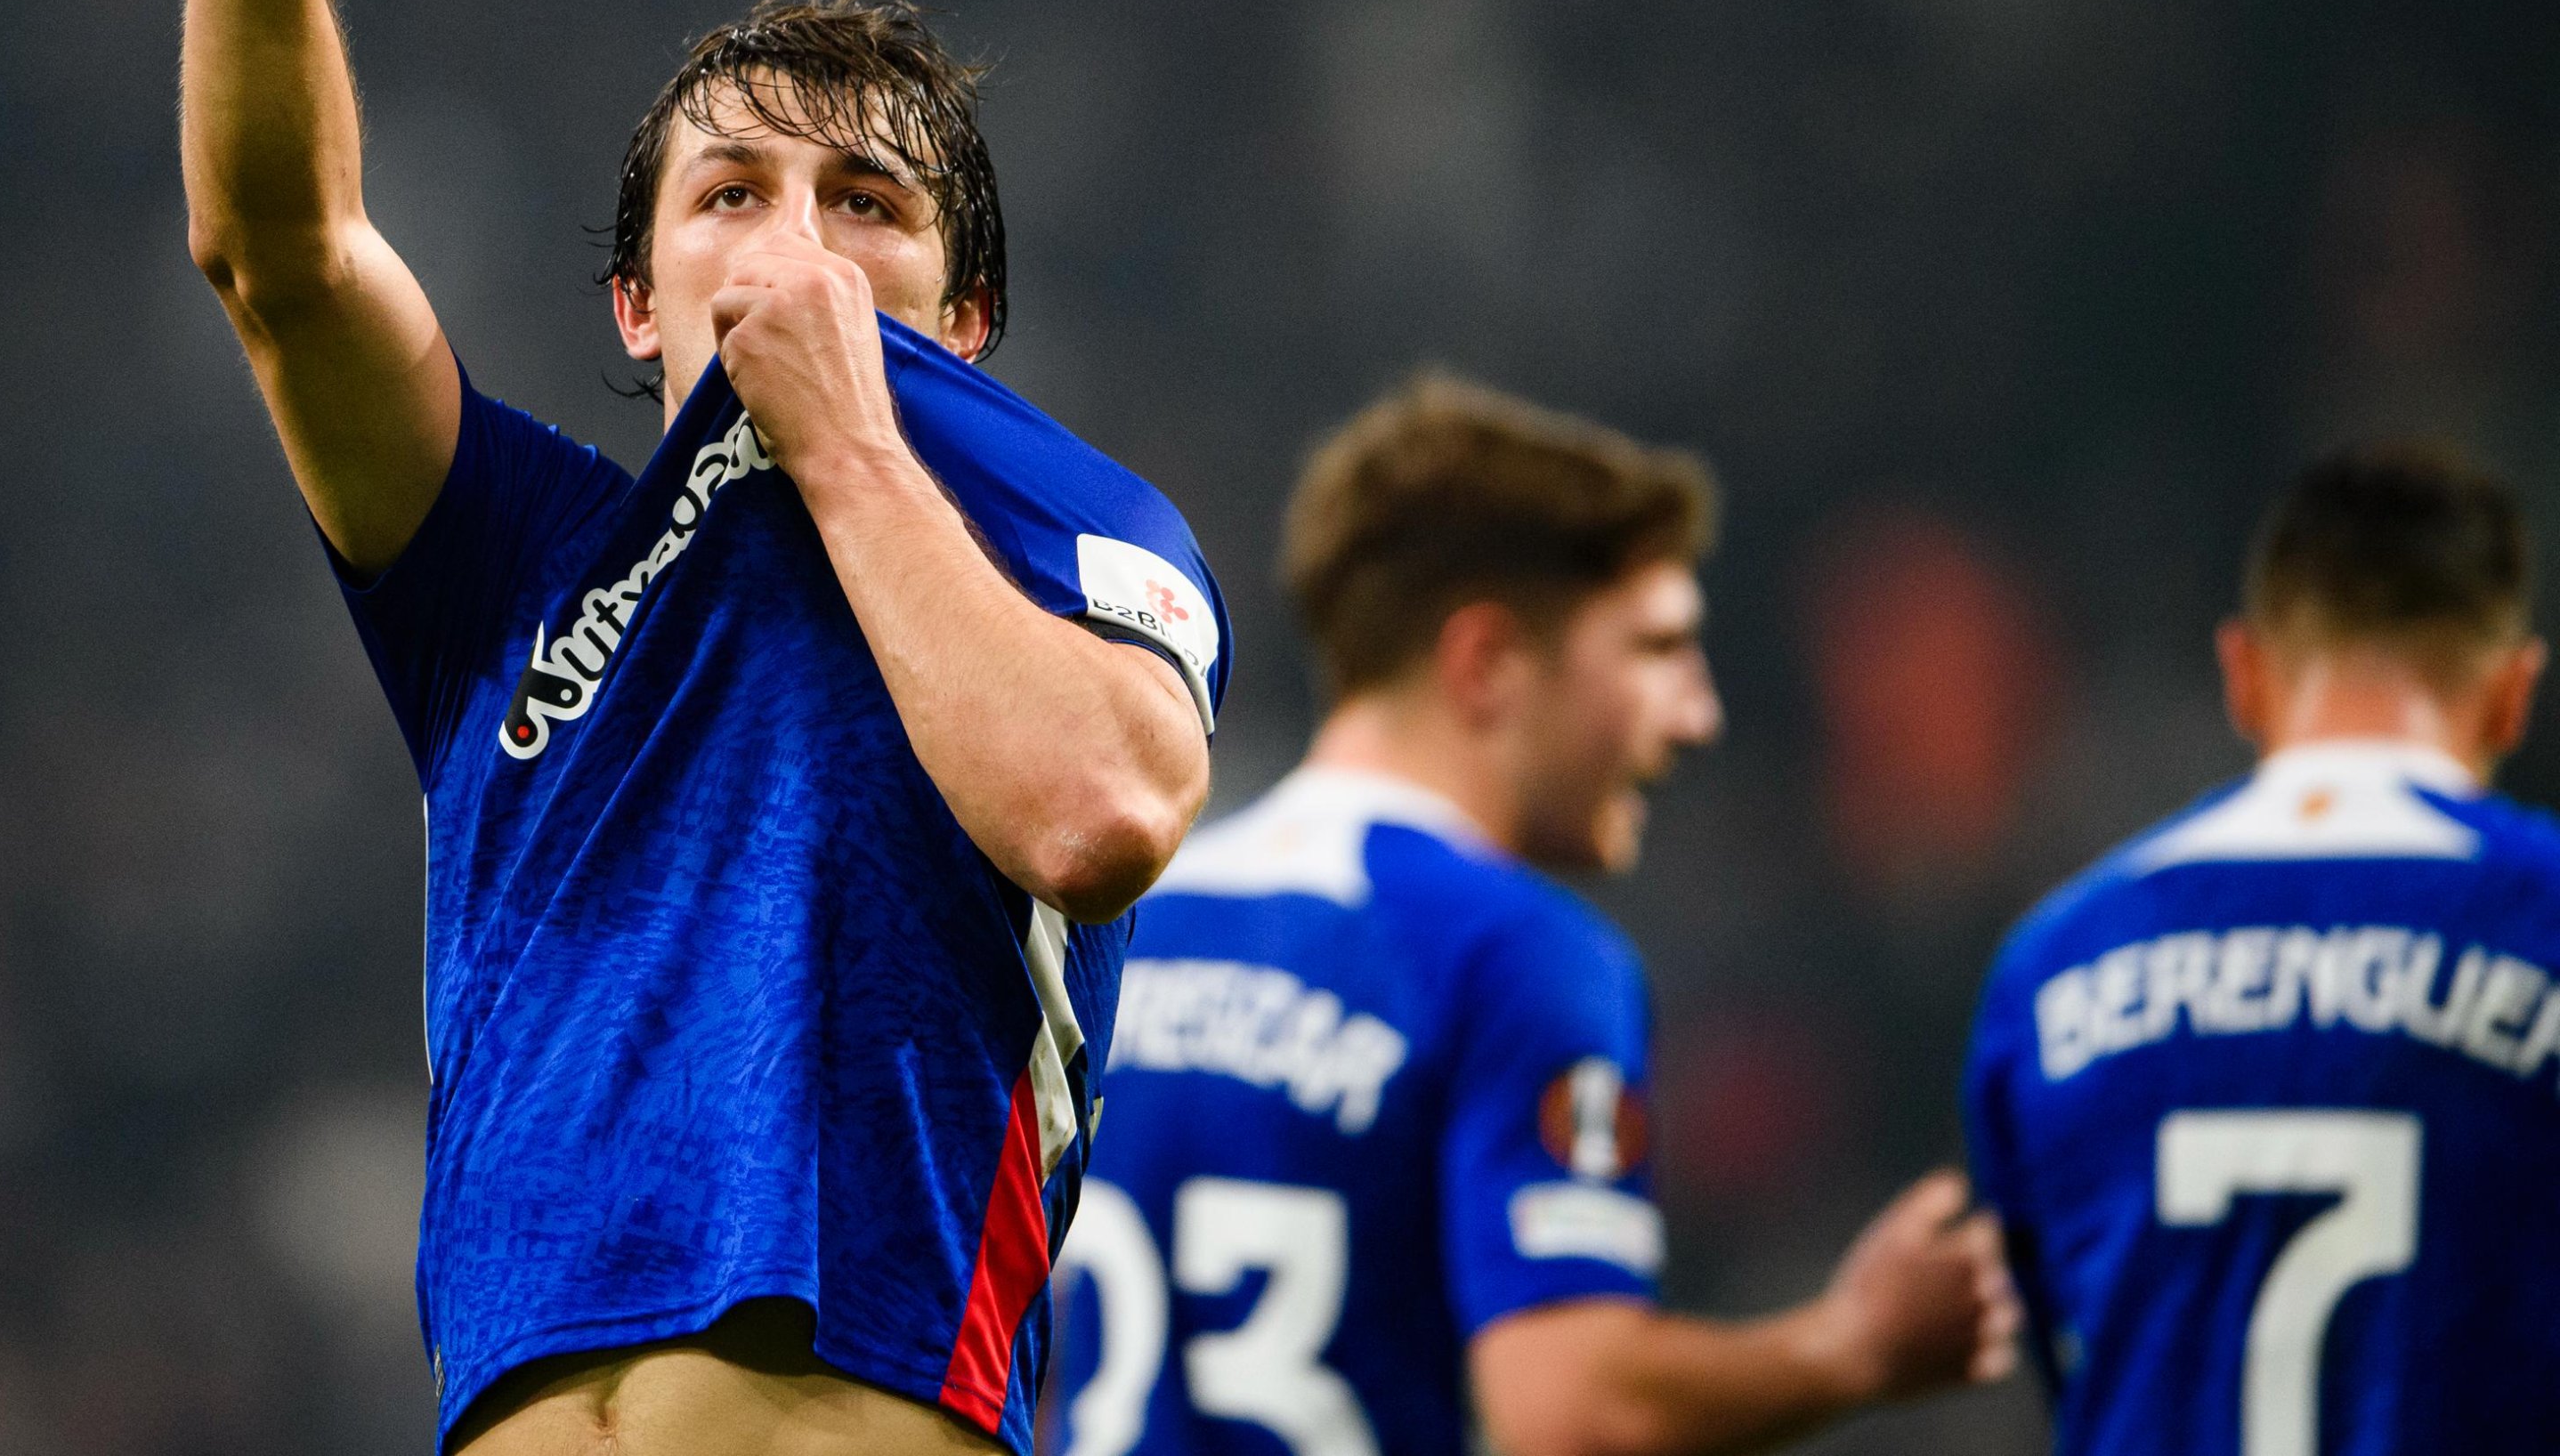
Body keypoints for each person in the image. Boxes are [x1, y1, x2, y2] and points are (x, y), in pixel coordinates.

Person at [166, 0, 1226, 1456]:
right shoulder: (514, 557)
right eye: (730, 194)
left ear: (964, 314)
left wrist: (845, 446)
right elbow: (277, 255)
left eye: (868, 203)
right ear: (637, 303)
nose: (797, 242)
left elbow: (1093, 809)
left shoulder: (1068, 524)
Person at [1056, 375, 2019, 1456]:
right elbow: (1572, 1414)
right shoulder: (1516, 952)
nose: (1697, 714)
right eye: (1654, 650)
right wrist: (1851, 1348)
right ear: (1490, 665)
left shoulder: (1137, 921)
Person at [1965, 441, 2560, 1454]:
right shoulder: (2537, 911)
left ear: (2242, 674)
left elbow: (2064, 1342)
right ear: (2514, 690)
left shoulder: (2055, 960)